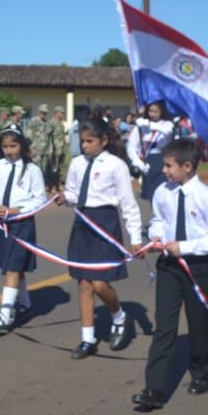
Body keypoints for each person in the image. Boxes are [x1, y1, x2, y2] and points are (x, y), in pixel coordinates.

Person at [132, 138, 208, 411]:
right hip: (169, 267)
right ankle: (155, 389)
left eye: (169, 166)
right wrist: (155, 237)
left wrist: (184, 247)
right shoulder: (163, 192)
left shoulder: (207, 198)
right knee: (164, 325)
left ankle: (203, 372)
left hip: (197, 267)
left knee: (198, 323)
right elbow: (159, 220)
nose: (164, 171)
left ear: (188, 166)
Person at [56, 115, 142, 359]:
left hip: (105, 224)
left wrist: (135, 236)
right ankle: (87, 339)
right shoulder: (77, 164)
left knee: (100, 283)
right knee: (84, 283)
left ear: (103, 140)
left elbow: (127, 202)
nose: (85, 146)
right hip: (82, 222)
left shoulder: (116, 165)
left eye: (90, 141)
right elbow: (73, 192)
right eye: (82, 141)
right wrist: (66, 198)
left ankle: (118, 315)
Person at [0, 123, 46, 335]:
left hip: (22, 224)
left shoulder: (32, 170)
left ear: (22, 145)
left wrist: (20, 210)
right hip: (2, 223)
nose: (9, 150)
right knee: (12, 267)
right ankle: (25, 305)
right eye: (5, 146)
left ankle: (5, 316)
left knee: (12, 268)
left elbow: (40, 199)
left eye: (14, 145)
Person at [128, 101, 174, 201]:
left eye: (155, 111)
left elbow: (167, 131)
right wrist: (139, 163)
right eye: (150, 111)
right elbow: (131, 147)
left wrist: (147, 124)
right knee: (152, 197)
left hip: (163, 162)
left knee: (165, 196)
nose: (152, 114)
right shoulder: (140, 127)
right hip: (147, 163)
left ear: (161, 112)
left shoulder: (168, 125)